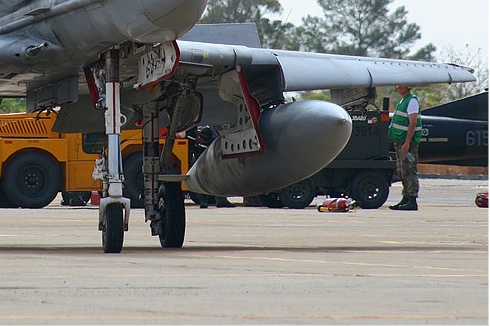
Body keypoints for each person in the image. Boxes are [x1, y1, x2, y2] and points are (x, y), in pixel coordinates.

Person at [388, 85, 422, 211]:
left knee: (409, 170)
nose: (398, 87)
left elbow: (412, 122)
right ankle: (406, 198)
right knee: (402, 170)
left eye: (401, 85)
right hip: (399, 140)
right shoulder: (403, 101)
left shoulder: (412, 101)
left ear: (408, 87)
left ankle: (412, 200)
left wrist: (407, 142)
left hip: (407, 142)